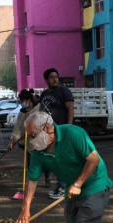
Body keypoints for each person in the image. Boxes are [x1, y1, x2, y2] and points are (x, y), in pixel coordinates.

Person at [15, 111, 113, 223]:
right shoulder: (39, 152)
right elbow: (32, 180)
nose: (30, 140)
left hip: (95, 183)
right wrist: (25, 208)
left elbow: (93, 159)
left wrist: (78, 183)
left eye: (32, 135)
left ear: (46, 128)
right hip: (72, 186)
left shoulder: (73, 133)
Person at [39, 68, 75, 199]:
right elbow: (42, 112)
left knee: (61, 159)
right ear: (46, 79)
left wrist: (68, 127)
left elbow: (70, 109)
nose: (55, 79)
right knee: (53, 160)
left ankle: (63, 188)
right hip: (48, 132)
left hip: (61, 130)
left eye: (56, 77)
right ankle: (60, 186)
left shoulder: (64, 91)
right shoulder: (44, 94)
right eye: (52, 77)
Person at [9, 88, 50, 187]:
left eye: (23, 101)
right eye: (21, 101)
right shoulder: (22, 113)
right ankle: (31, 185)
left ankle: (47, 178)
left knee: (45, 162)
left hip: (41, 142)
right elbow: (18, 128)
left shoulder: (39, 109)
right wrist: (13, 140)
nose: (22, 103)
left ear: (29, 100)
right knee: (30, 165)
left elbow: (45, 123)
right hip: (28, 144)